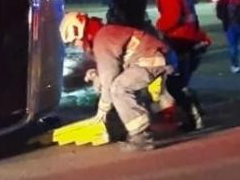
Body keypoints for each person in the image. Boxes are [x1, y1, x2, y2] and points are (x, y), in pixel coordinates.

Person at [60, 12, 175, 151]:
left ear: (78, 32)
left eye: (73, 42)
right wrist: (96, 75)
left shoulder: (101, 39)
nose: (76, 46)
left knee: (119, 89)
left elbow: (109, 79)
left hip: (152, 60)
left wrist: (102, 111)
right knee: (119, 86)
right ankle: (129, 126)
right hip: (154, 57)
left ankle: (141, 137)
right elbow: (111, 68)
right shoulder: (103, 34)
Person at [149, 0, 211, 130]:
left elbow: (172, 17)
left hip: (180, 40)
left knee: (175, 83)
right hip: (189, 39)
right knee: (181, 80)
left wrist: (159, 25)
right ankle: (196, 112)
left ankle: (194, 116)